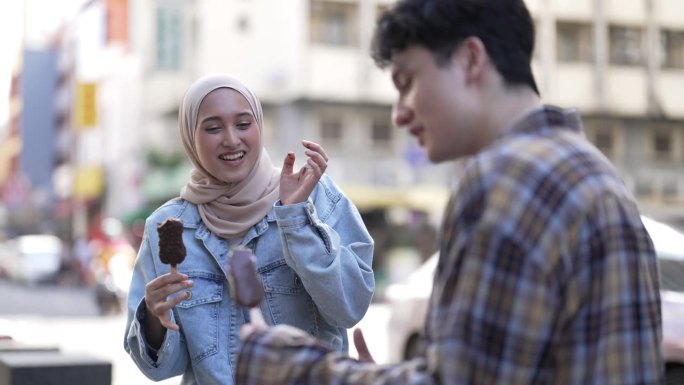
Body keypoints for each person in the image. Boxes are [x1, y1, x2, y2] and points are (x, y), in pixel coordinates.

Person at [234, 0, 665, 384]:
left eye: (407, 81)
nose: (399, 113)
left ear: (470, 60)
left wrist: (283, 363)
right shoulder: (594, 173)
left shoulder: (505, 181)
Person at [124, 73, 375, 385]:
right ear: (190, 135)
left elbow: (349, 308)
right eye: (213, 128)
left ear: (259, 126)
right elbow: (160, 369)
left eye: (243, 124)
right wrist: (154, 321)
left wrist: (295, 218)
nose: (231, 139)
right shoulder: (168, 226)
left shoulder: (313, 195)